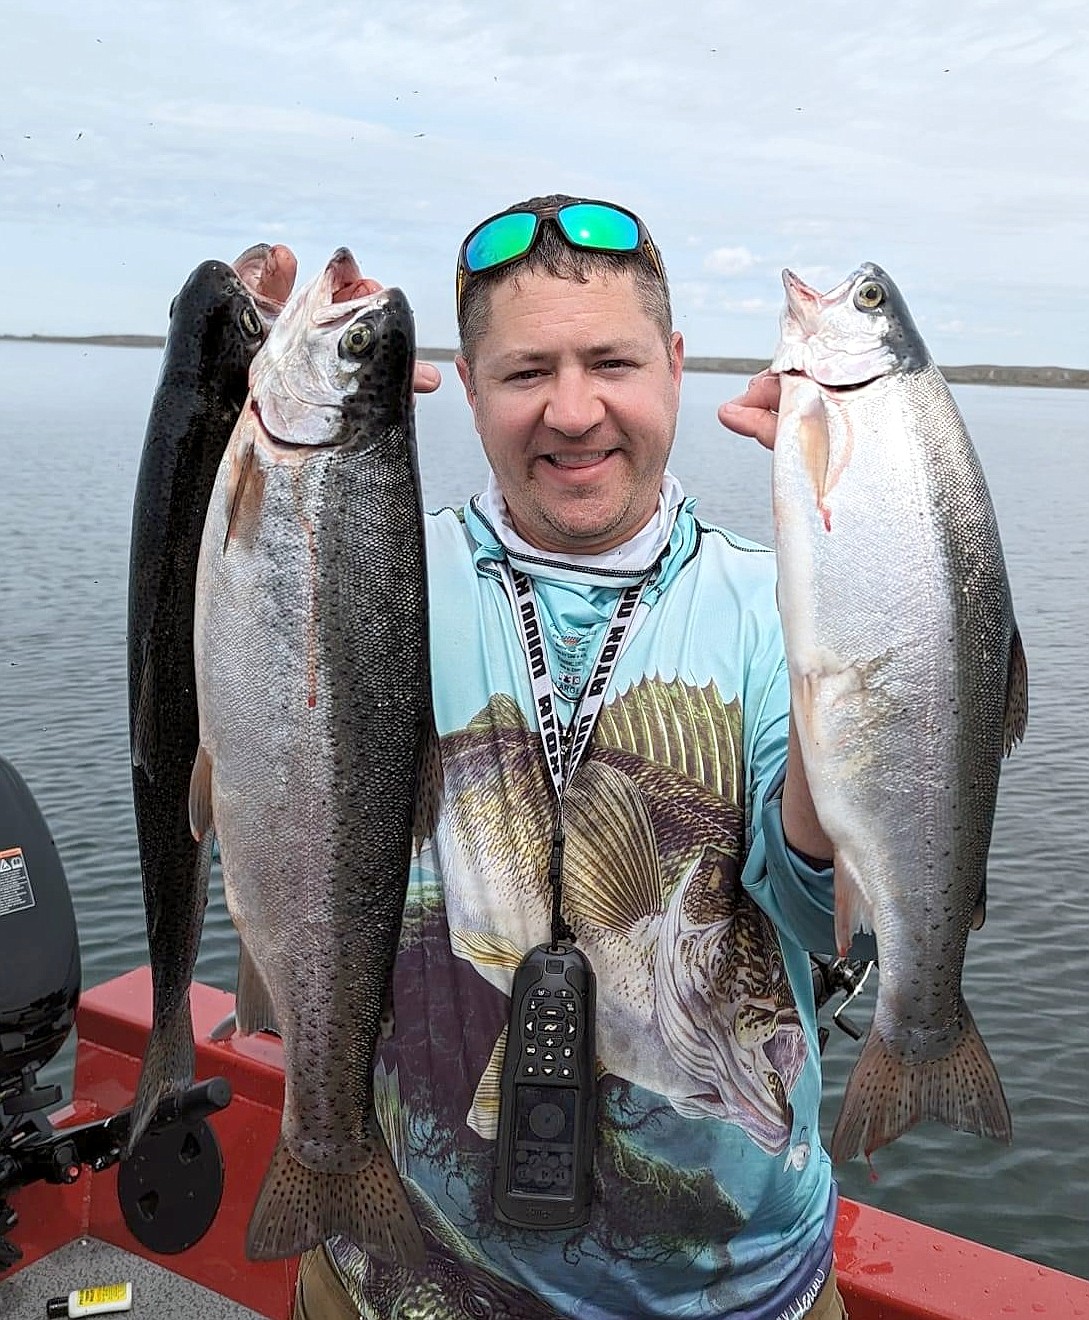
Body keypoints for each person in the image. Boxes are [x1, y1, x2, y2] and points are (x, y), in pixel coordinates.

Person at [294, 194, 847, 1319]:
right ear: (469, 384)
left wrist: (865, 562)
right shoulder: (376, 570)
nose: (575, 410)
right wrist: (269, 445)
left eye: (612, 361)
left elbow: (820, 900)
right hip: (398, 1275)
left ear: (678, 367)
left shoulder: (775, 605)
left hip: (743, 1294)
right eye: (525, 372)